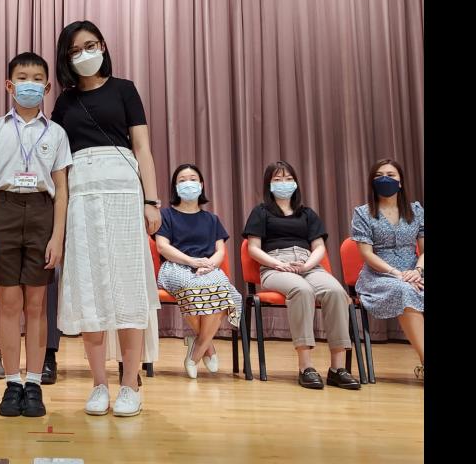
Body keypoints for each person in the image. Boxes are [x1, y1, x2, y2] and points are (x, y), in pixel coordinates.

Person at [51, 21, 162, 417]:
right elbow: (56, 156)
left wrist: (151, 200)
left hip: (124, 193)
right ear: (66, 59)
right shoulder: (64, 102)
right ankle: (99, 383)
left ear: (103, 46)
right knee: (90, 289)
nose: (84, 54)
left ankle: (130, 383)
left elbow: (142, 147)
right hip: (81, 196)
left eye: (90, 45)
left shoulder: (125, 89)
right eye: (74, 50)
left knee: (128, 287)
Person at [0, 51, 72, 417]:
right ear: (9, 85)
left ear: (46, 88)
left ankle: (33, 382)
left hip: (41, 212)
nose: (29, 84)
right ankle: (11, 383)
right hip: (3, 210)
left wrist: (57, 236)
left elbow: (61, 189)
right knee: (8, 303)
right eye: (22, 78)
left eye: (36, 79)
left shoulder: (57, 133)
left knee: (36, 304)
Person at [243, 161, 360, 390]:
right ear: (269, 185)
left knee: (336, 292)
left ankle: (337, 369)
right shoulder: (261, 212)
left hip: (308, 264)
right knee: (302, 290)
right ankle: (306, 366)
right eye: (277, 179)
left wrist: (306, 265)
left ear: (296, 183)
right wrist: (279, 264)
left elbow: (319, 247)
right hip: (275, 266)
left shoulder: (307, 213)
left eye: (288, 179)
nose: (284, 183)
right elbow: (253, 248)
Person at [154, 163, 242, 379]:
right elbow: (162, 247)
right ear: (175, 187)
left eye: (193, 179)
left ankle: (196, 351)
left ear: (201, 185)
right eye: (182, 180)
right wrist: (192, 262)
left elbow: (220, 251)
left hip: (206, 266)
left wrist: (209, 264)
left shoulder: (212, 219)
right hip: (175, 267)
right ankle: (207, 346)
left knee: (226, 290)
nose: (188, 184)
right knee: (194, 287)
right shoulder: (166, 215)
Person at [351, 158, 424, 379]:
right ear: (372, 182)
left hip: (414, 271)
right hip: (379, 275)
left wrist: (418, 271)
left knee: (411, 286)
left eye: (390, 175)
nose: (385, 179)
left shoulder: (416, 210)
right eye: (379, 176)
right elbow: (366, 253)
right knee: (405, 290)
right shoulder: (363, 213)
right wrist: (396, 273)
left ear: (400, 182)